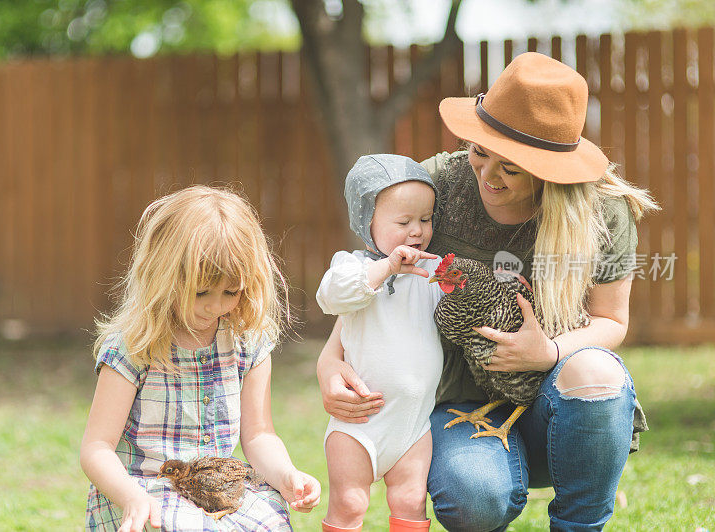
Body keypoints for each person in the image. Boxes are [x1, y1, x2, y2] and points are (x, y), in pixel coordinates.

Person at [316, 52, 658, 531]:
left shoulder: (601, 212)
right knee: (474, 499)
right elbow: (376, 275)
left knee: (595, 369)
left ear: (550, 169)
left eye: (511, 168)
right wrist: (330, 362)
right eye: (480, 152)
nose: (487, 176)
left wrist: (549, 351)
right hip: (462, 402)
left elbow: (612, 322)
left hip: (559, 409)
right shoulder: (437, 185)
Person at [80, 185, 320, 531]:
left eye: (231, 291)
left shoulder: (247, 343)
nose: (216, 306)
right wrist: (131, 496)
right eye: (201, 292)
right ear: (163, 276)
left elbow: (259, 436)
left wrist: (286, 474)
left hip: (215, 490)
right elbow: (96, 448)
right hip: (143, 490)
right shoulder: (134, 347)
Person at [317, 155, 444, 532]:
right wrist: (387, 267)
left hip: (413, 423)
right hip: (360, 422)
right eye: (403, 222)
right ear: (365, 221)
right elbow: (332, 297)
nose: (417, 231)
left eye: (426, 219)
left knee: (410, 499)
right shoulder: (354, 268)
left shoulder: (432, 272)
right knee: (350, 502)